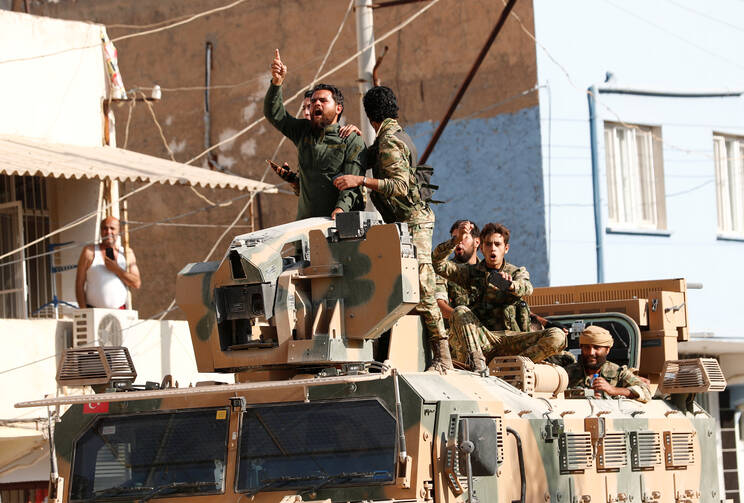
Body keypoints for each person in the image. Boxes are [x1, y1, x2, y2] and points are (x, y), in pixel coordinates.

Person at [333, 85, 452, 373]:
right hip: (406, 223)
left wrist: (359, 182)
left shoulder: (389, 141)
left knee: (424, 289)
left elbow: (400, 186)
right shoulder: (396, 135)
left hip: (413, 222)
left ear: (371, 115)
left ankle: (443, 355)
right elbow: (371, 157)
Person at [432, 221, 565, 372]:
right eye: (488, 244)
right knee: (460, 311)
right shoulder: (470, 273)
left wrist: (511, 286)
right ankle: (478, 365)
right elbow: (437, 263)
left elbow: (527, 288)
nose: (492, 248)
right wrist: (456, 240)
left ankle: (511, 367)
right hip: (483, 340)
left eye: (497, 244)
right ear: (481, 248)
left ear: (506, 248)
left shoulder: (515, 272)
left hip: (513, 340)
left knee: (557, 336)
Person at [264, 49, 365, 219]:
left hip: (339, 227)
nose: (316, 103)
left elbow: (352, 183)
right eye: (313, 102)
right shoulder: (304, 132)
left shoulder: (350, 139)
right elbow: (274, 114)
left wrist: (340, 210)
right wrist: (276, 83)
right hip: (306, 228)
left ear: (338, 108)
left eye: (323, 100)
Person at [565, 325, 652, 402]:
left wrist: (613, 390)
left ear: (607, 350)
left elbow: (646, 392)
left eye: (596, 347)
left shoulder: (618, 373)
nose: (591, 352)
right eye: (587, 347)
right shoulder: (567, 374)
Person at [75, 216, 141, 309]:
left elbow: (136, 283)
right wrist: (84, 311)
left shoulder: (127, 253)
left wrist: (117, 269)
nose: (108, 232)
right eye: (105, 228)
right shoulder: (89, 252)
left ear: (119, 231)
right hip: (94, 311)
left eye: (112, 228)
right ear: (101, 231)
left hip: (119, 312)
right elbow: (79, 284)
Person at [435, 219, 480, 321]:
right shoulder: (444, 270)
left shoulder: (486, 270)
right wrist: (462, 319)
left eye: (464, 237)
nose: (459, 241)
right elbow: (439, 304)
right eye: (455, 238)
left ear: (477, 242)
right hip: (457, 330)